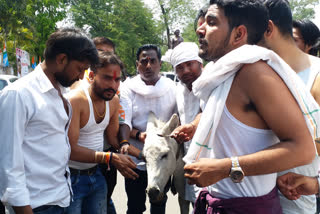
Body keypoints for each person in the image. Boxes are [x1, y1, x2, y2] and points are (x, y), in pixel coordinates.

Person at [182, 0, 319, 213]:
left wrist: (226, 168)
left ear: (239, 34)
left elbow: (303, 149)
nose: (200, 29)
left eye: (211, 22)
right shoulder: (224, 73)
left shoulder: (254, 73)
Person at [0, 28, 99, 214]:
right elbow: (8, 165)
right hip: (34, 206)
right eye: (80, 69)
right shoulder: (19, 95)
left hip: (61, 199)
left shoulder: (62, 93)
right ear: (61, 59)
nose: (80, 77)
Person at [258, 1, 320, 212]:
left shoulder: (316, 76)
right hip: (258, 199)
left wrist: (317, 184)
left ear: (268, 29)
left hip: (297, 205)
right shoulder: (259, 74)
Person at [65, 51, 138, 214]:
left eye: (117, 79)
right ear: (91, 76)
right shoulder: (76, 100)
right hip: (70, 179)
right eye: (107, 78)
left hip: (96, 174)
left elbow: (113, 139)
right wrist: (110, 158)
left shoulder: (113, 100)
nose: (113, 85)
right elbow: (70, 150)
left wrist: (144, 156)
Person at [119, 44, 177, 214]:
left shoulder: (172, 88)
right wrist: (138, 135)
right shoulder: (127, 88)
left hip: (162, 160)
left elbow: (177, 122)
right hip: (136, 159)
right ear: (137, 64)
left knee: (159, 205)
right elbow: (123, 122)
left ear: (160, 63)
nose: (148, 66)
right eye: (144, 62)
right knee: (135, 206)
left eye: (153, 61)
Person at [168, 42, 203, 209]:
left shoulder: (210, 86)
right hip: (188, 156)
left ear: (200, 63)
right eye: (180, 68)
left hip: (210, 159)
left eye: (190, 64)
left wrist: (193, 126)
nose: (186, 71)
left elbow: (206, 112)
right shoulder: (179, 91)